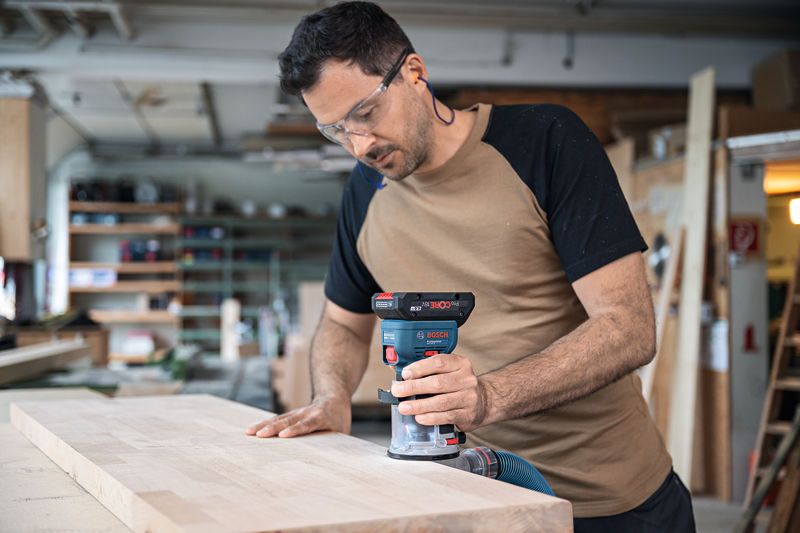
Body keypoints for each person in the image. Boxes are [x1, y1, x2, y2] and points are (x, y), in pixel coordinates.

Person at [245, 2, 696, 531]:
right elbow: (343, 323)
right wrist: (331, 396)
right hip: (480, 494)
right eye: (336, 130)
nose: (358, 145)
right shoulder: (365, 192)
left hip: (614, 503)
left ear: (414, 73)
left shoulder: (544, 141)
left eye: (365, 113)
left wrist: (487, 397)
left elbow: (628, 327)